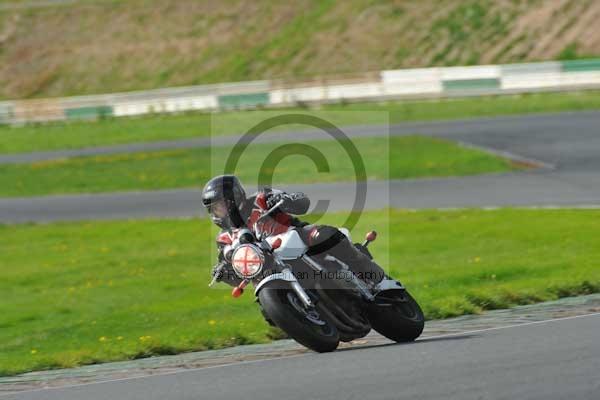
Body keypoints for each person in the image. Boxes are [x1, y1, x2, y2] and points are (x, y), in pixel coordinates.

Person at [202, 175, 385, 287]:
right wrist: (223, 272)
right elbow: (239, 269)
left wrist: (286, 199)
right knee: (266, 306)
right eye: (215, 209)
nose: (220, 212)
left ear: (235, 197)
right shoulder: (225, 239)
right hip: (271, 269)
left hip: (298, 239)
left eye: (223, 206)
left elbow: (301, 204)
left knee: (323, 235)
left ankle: (365, 269)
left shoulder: (261, 199)